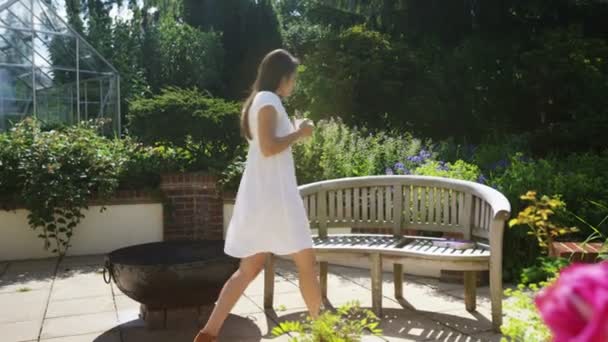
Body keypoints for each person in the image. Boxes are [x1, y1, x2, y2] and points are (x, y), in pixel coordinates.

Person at [194, 49, 322, 342]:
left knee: (249, 268)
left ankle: (208, 333)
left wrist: (293, 130)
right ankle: (325, 333)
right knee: (306, 262)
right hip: (275, 199)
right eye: (294, 78)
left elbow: (268, 146)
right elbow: (268, 147)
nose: (295, 84)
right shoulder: (268, 100)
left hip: (266, 197)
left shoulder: (261, 101)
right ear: (283, 77)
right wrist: (300, 133)